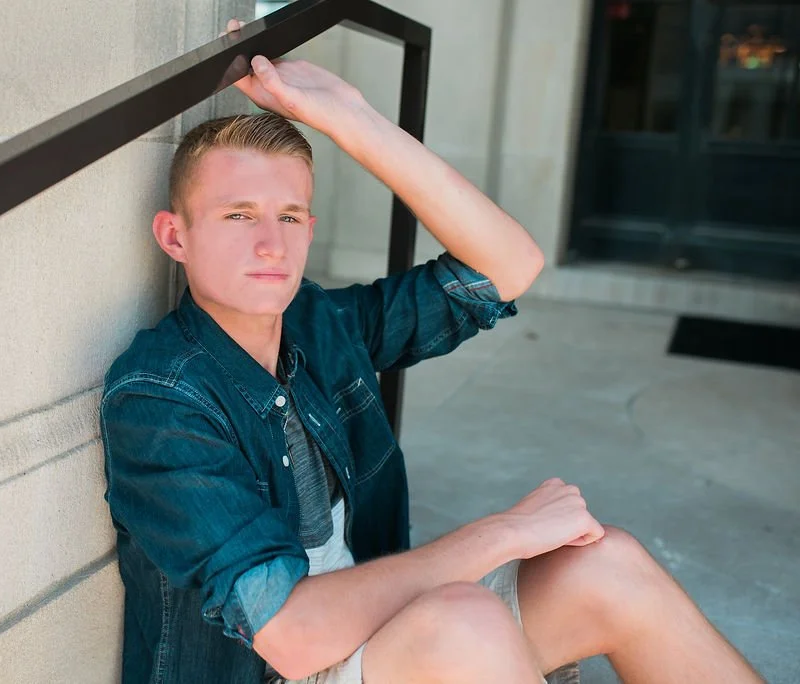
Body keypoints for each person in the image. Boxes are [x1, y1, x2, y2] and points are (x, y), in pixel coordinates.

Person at [99, 19, 762, 684]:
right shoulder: (161, 396)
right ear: (174, 236)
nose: (272, 244)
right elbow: (293, 638)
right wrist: (502, 533)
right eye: (239, 215)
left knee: (605, 564)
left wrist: (353, 118)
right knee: (464, 623)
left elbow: (507, 266)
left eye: (290, 216)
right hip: (275, 670)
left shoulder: (319, 325)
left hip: (382, 635)